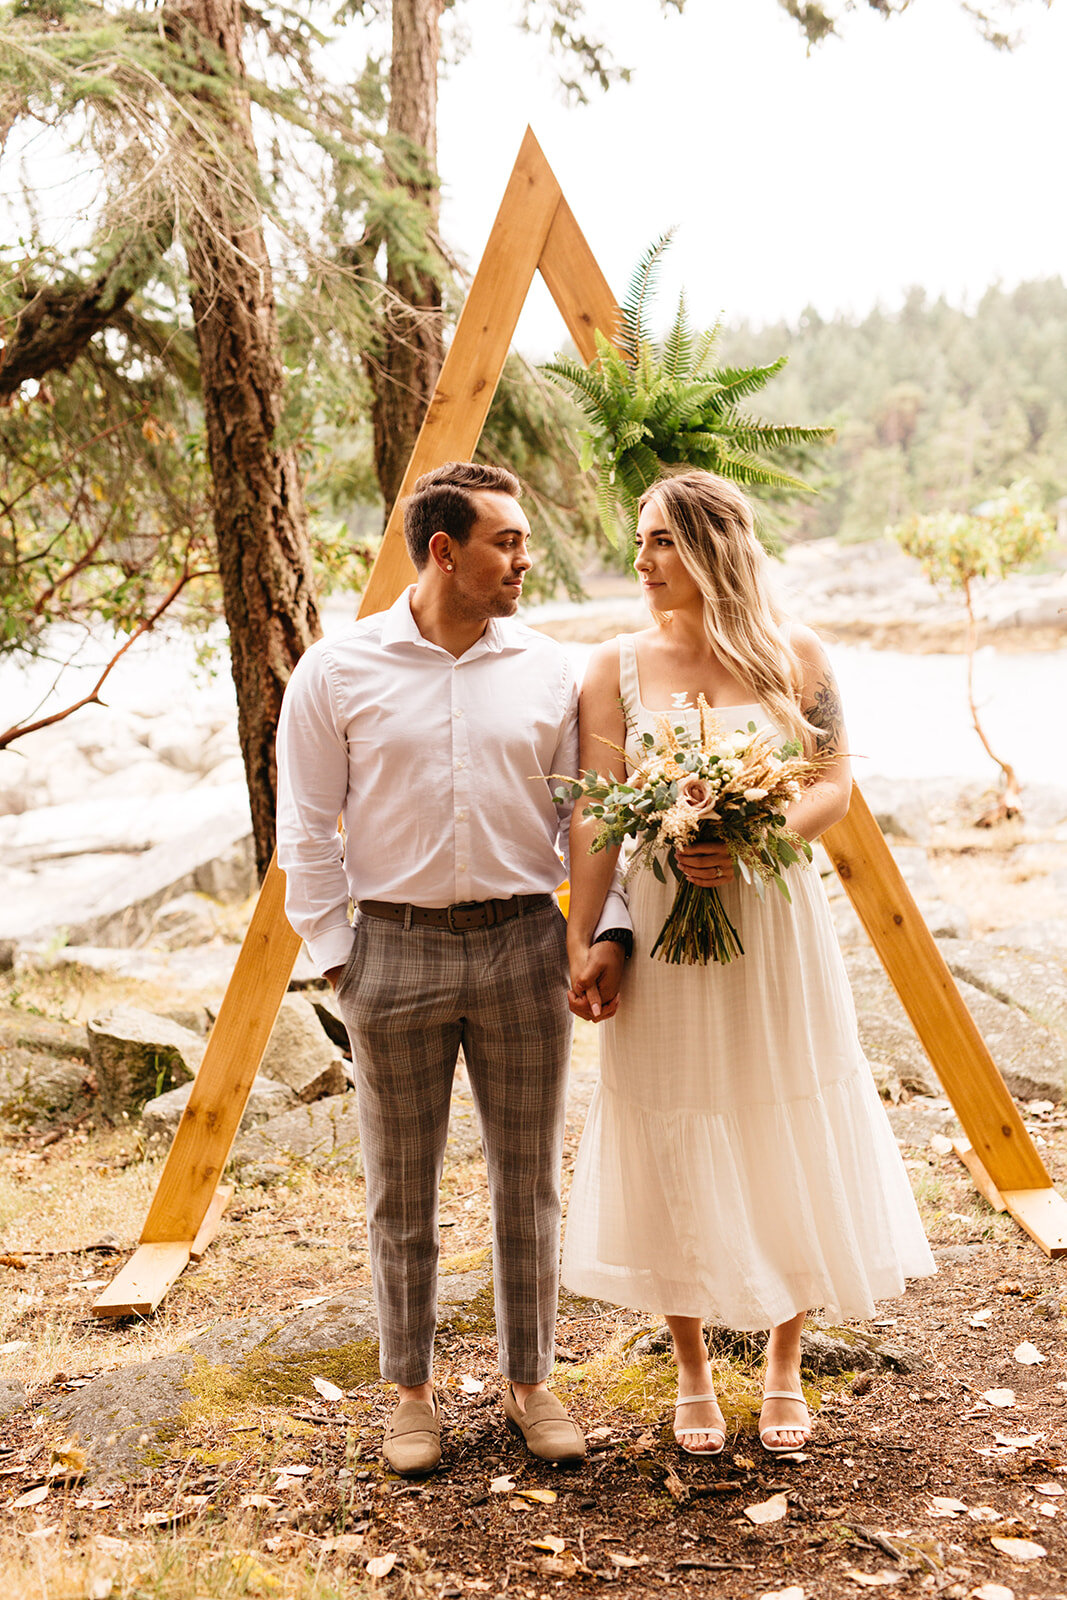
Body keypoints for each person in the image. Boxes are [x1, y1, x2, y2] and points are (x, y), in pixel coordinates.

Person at [561, 470, 935, 1456]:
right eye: (638, 542)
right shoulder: (612, 668)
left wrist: (760, 832)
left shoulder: (796, 655)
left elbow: (832, 781)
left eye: (659, 543)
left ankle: (779, 1361)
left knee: (781, 1112)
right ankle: (689, 1365)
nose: (639, 563)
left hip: (770, 922)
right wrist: (583, 936)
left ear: (711, 548)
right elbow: (597, 812)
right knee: (671, 1113)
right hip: (662, 931)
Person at [276, 461, 629, 1477]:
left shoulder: (553, 671)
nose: (526, 558)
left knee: (527, 1183)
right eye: (505, 541)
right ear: (442, 550)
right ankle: (410, 1396)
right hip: (392, 951)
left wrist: (594, 931)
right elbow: (304, 828)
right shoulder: (335, 671)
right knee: (400, 1190)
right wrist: (342, 961)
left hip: (526, 945)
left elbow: (585, 820)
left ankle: (531, 1383)